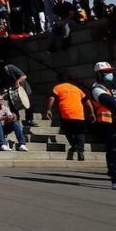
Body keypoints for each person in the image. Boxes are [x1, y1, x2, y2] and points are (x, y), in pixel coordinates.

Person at [45, 73, 88, 161]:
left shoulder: (57, 87)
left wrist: (48, 110)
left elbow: (51, 98)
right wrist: (92, 113)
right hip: (79, 114)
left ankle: (74, 145)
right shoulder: (77, 88)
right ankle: (81, 152)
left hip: (66, 113)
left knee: (66, 130)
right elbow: (87, 100)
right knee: (80, 133)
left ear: (58, 80)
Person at [89, 61, 116, 189]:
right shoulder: (97, 88)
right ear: (99, 74)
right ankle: (114, 178)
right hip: (108, 123)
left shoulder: (112, 87)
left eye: (110, 71)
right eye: (106, 72)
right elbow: (109, 102)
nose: (110, 74)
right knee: (113, 149)